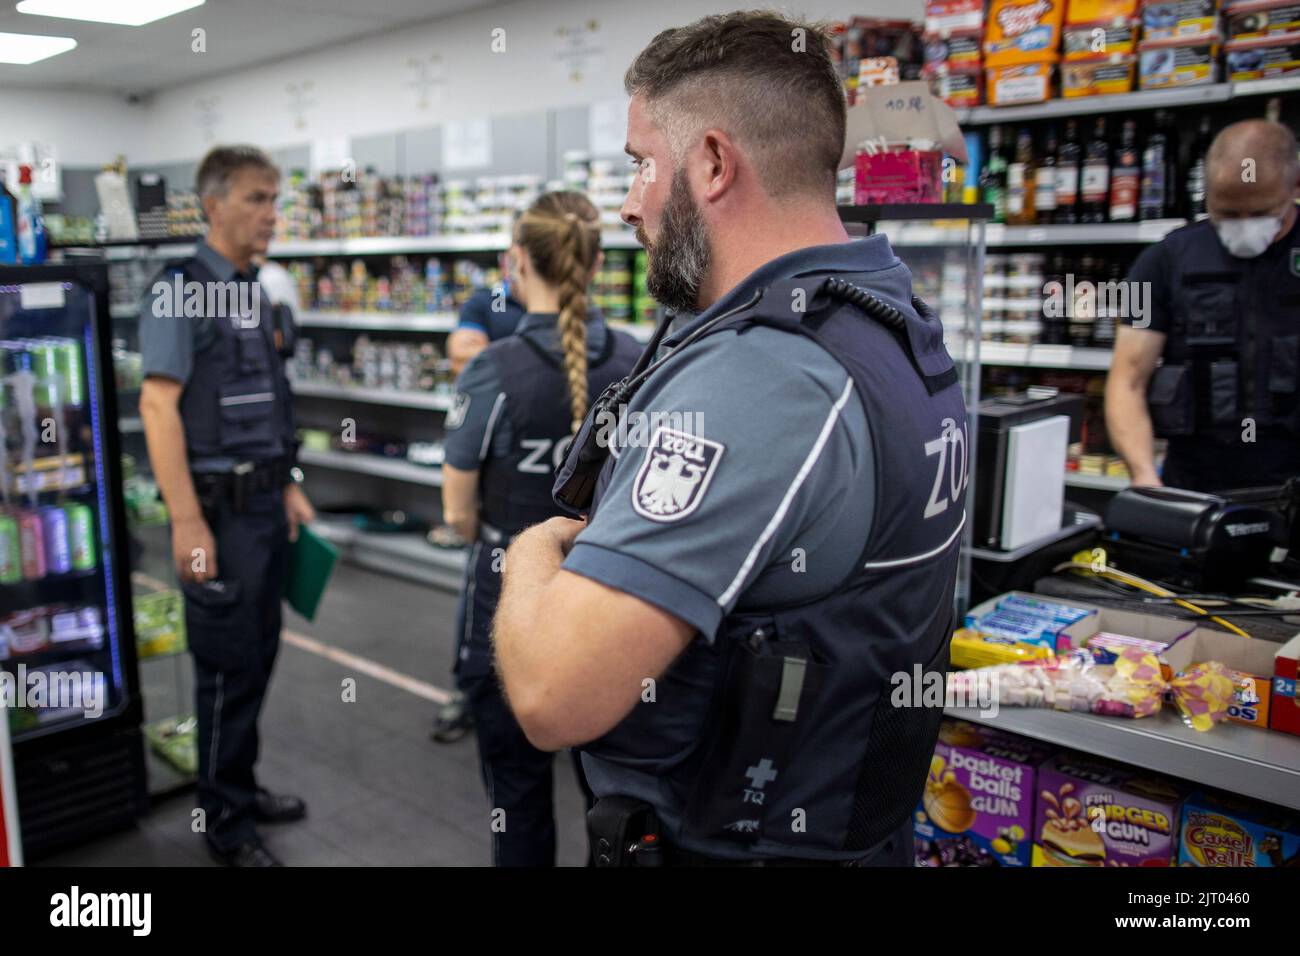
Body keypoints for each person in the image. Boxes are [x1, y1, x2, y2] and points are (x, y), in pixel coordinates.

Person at [493, 11, 968, 867]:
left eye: (642, 165)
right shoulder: (889, 317)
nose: (631, 204)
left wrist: (535, 546)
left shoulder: (763, 377)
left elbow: (552, 695)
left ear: (714, 163)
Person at [440, 190, 641, 865]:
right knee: (614, 797)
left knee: (516, 789)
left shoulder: (491, 369)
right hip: (616, 607)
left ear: (515, 262)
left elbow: (456, 513)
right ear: (597, 261)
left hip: (510, 606)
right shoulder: (643, 361)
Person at [138, 145, 315, 867]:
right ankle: (224, 821)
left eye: (275, 199)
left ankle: (236, 784)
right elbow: (157, 405)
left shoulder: (256, 293)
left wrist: (290, 480)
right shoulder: (179, 289)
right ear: (213, 206)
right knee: (225, 666)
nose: (272, 213)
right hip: (216, 515)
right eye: (255, 199)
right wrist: (186, 519)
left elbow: (271, 403)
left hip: (265, 506)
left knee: (259, 656)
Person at [1106, 119, 1300, 493]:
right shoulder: (1158, 260)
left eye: (1260, 213)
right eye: (1227, 213)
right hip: (1195, 484)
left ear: (1294, 189)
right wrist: (1144, 476)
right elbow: (1126, 379)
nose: (1244, 227)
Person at [431, 256, 526, 744]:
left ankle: (537, 701)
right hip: (497, 489)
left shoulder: (576, 307)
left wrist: (502, 362)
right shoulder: (486, 300)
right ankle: (465, 690)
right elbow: (462, 352)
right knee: (481, 600)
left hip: (550, 493)